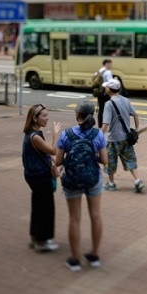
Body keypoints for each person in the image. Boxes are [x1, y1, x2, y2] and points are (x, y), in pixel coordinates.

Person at [56, 102, 107, 272]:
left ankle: (75, 259)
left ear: (77, 114)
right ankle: (94, 255)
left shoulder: (66, 134)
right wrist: (93, 156)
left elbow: (58, 161)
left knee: (74, 219)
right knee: (95, 216)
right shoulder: (98, 134)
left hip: (72, 179)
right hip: (93, 179)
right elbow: (105, 160)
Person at [22, 104, 62, 252]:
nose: (47, 118)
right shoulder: (35, 137)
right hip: (38, 176)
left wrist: (55, 164)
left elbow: (46, 154)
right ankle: (42, 241)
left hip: (36, 175)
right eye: (44, 116)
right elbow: (52, 149)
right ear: (34, 118)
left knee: (38, 206)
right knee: (45, 208)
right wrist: (56, 135)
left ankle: (35, 237)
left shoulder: (35, 134)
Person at [101, 79, 145, 193]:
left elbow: (105, 124)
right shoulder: (125, 100)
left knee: (110, 162)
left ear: (110, 89)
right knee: (130, 159)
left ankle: (111, 183)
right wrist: (136, 129)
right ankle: (137, 180)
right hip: (126, 138)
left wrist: (99, 136)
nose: (105, 88)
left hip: (113, 139)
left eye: (106, 87)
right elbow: (135, 114)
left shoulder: (109, 104)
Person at [95, 59, 113, 128]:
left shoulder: (100, 70)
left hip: (99, 92)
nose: (111, 65)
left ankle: (100, 125)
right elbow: (110, 82)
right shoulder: (108, 72)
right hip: (106, 92)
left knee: (101, 109)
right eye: (110, 64)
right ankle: (107, 124)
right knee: (110, 108)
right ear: (107, 64)